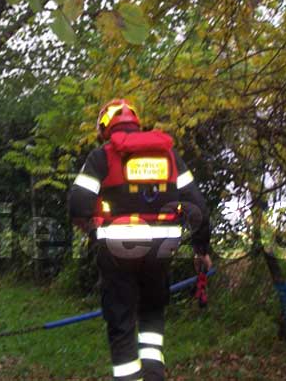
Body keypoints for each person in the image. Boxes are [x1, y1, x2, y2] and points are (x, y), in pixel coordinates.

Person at [69, 99, 212, 381]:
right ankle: (154, 375)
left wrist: (89, 229)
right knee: (152, 313)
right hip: (162, 249)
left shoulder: (102, 156)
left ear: (104, 127)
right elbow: (198, 206)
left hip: (116, 250)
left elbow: (77, 204)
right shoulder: (169, 156)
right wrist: (201, 249)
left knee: (122, 321)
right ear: (136, 122)